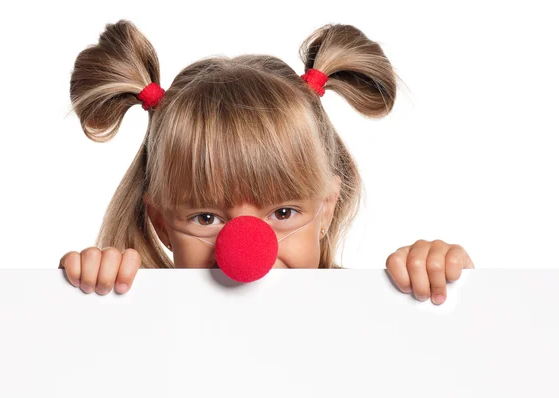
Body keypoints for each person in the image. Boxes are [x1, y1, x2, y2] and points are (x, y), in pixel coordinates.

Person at [59, 20, 474, 304]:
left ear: (326, 207)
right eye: (206, 218)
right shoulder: (135, 315)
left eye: (284, 211)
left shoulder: (367, 316)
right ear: (163, 223)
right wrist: (87, 291)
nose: (246, 251)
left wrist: (446, 280)